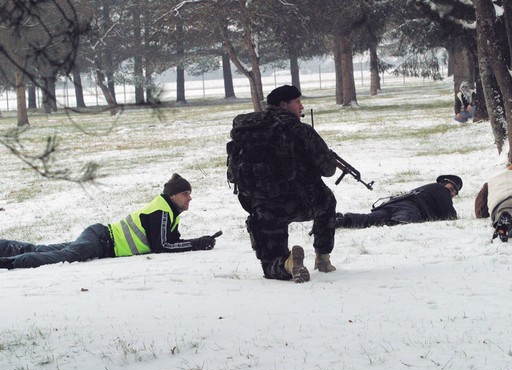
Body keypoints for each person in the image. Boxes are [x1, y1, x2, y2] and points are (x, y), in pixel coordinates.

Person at [228, 85, 337, 283]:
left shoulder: (247, 130)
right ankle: (323, 258)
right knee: (328, 201)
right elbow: (328, 169)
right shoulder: (299, 130)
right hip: (300, 202)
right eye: (297, 102)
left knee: (270, 265)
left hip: (261, 208)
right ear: (284, 105)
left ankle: (287, 264)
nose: (301, 106)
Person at [0, 173, 221, 270]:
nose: (189, 198)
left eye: (189, 193)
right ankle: (10, 262)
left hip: (100, 237)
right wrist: (197, 243)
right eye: (185, 193)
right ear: (173, 196)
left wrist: (199, 241)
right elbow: (162, 246)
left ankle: (5, 247)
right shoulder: (162, 211)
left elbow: (173, 241)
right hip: (102, 241)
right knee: (61, 257)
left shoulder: (169, 212)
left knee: (47, 249)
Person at [335, 175, 462, 229]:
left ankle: (343, 220)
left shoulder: (429, 191)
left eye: (454, 193)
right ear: (444, 184)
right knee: (402, 222)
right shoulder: (440, 189)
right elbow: (449, 216)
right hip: (410, 207)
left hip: (393, 203)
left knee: (370, 219)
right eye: (451, 189)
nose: (452, 194)